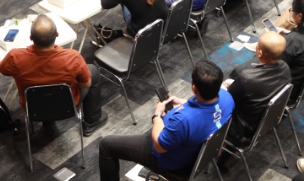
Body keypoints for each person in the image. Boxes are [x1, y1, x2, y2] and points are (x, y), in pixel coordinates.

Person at [98, 60, 233, 181]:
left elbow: (159, 147)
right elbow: (207, 111)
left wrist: (157, 115)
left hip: (166, 158)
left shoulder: (183, 121)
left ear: (194, 87)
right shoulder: (227, 97)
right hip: (191, 148)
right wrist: (182, 104)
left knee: (106, 145)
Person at [0, 15, 107, 135]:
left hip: (33, 107)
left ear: (31, 38)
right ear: (57, 35)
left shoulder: (15, 57)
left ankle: (47, 121)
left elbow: (2, 68)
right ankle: (91, 121)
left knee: (38, 85)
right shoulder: (73, 57)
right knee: (93, 71)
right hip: (67, 105)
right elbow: (86, 84)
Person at [223, 31, 292, 148]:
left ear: (259, 53)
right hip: (265, 120)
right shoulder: (285, 67)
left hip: (241, 128)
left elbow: (228, 101)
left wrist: (224, 88)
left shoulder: (246, 77)